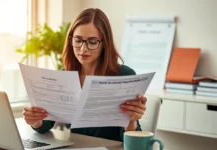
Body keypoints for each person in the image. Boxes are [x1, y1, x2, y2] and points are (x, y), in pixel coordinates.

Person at [22, 8, 147, 142]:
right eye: (78, 40)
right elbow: (47, 124)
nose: (83, 49)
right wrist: (36, 120)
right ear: (71, 40)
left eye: (92, 42)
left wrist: (132, 121)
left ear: (104, 43)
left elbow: (133, 138)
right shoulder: (65, 75)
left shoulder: (124, 76)